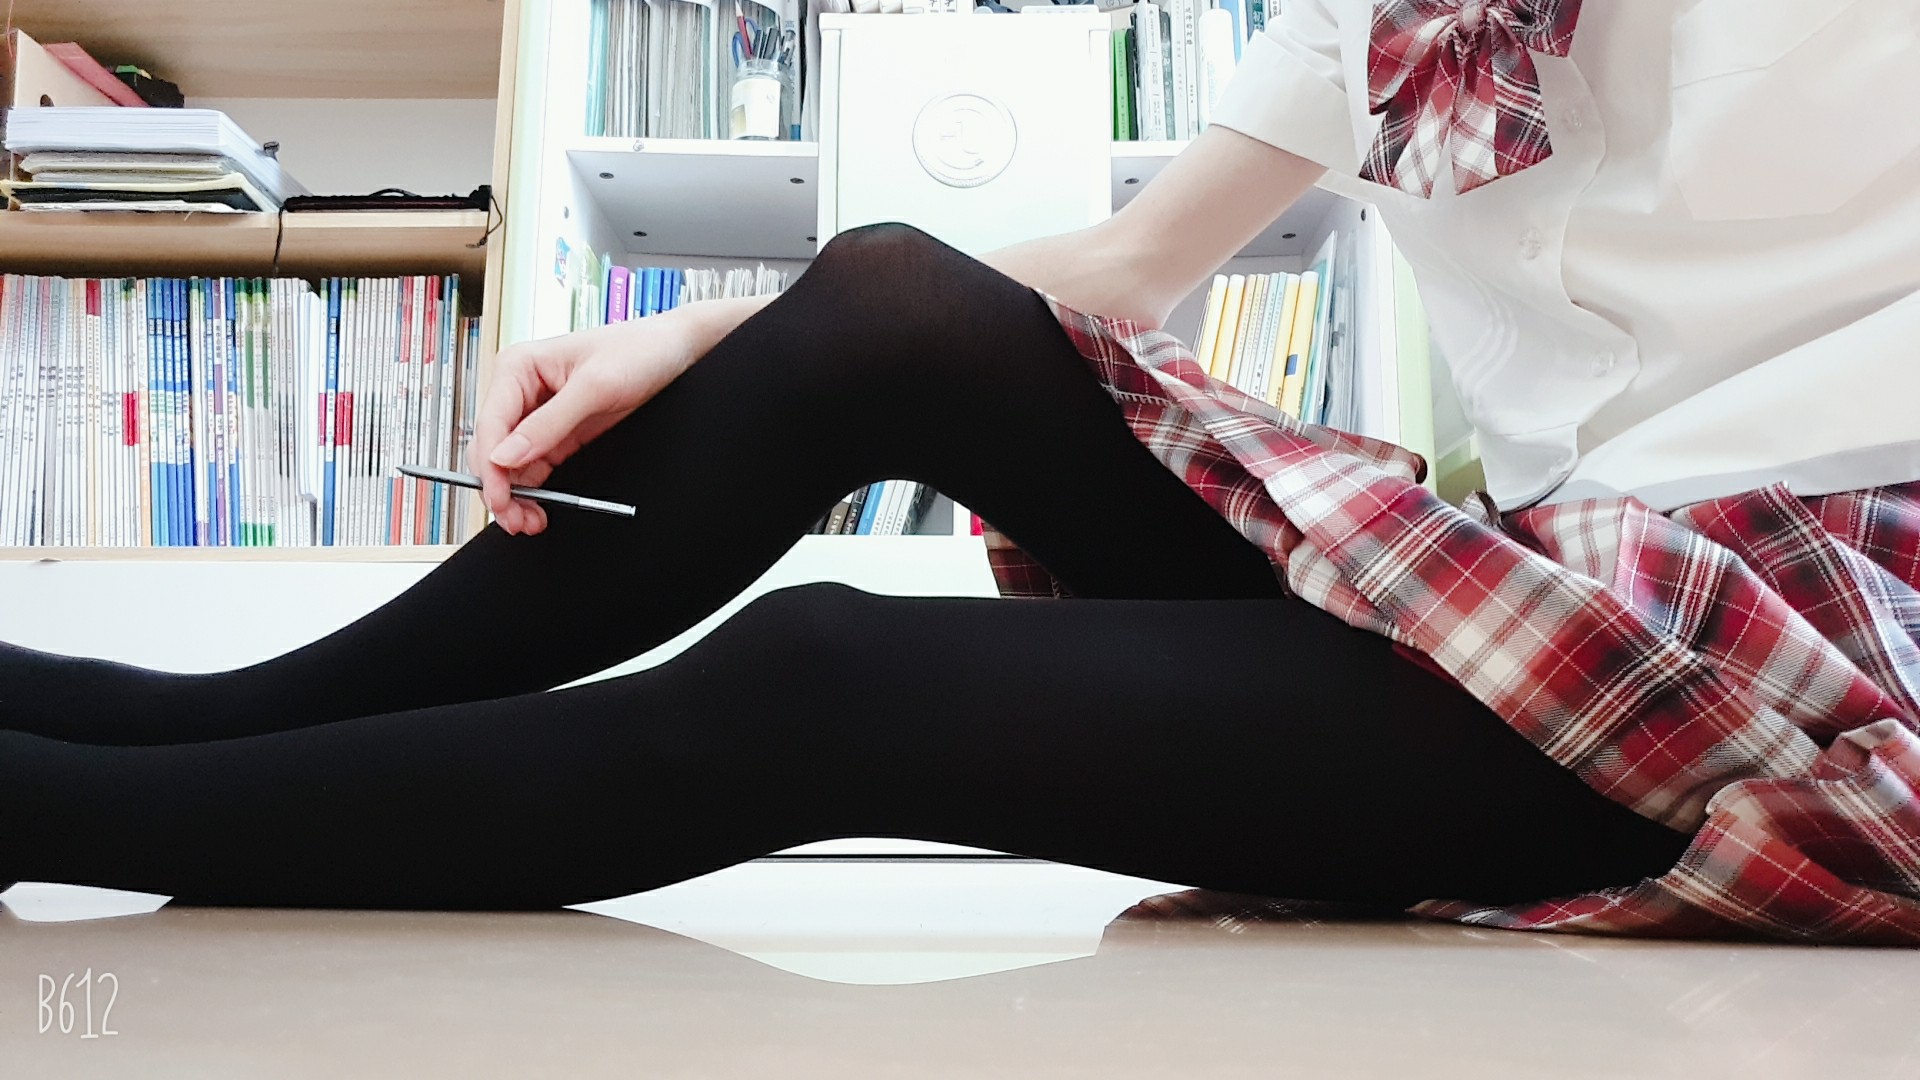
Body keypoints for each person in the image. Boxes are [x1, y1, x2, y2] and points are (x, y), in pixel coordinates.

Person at [3, 0, 1916, 944]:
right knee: (891, 302)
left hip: (1827, 660)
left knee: (829, 674)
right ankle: (203, 725)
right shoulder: (1387, 16)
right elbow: (1124, 266)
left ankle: (73, 805)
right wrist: (698, 332)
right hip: (1537, 593)